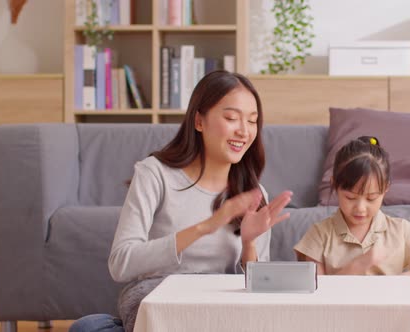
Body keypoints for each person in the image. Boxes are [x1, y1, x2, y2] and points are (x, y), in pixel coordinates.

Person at [69, 70, 293, 332]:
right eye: (232, 118)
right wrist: (204, 227)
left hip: (220, 308)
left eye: (253, 121)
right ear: (199, 121)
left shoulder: (253, 194)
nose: (244, 131)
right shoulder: (155, 174)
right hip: (160, 299)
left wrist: (248, 243)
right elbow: (120, 263)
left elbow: (257, 292)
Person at [294, 136, 410, 285]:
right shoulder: (319, 234)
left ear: (386, 188)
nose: (360, 208)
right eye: (350, 198)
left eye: (371, 198)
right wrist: (359, 265)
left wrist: (403, 280)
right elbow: (319, 294)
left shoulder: (398, 230)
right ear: (334, 185)